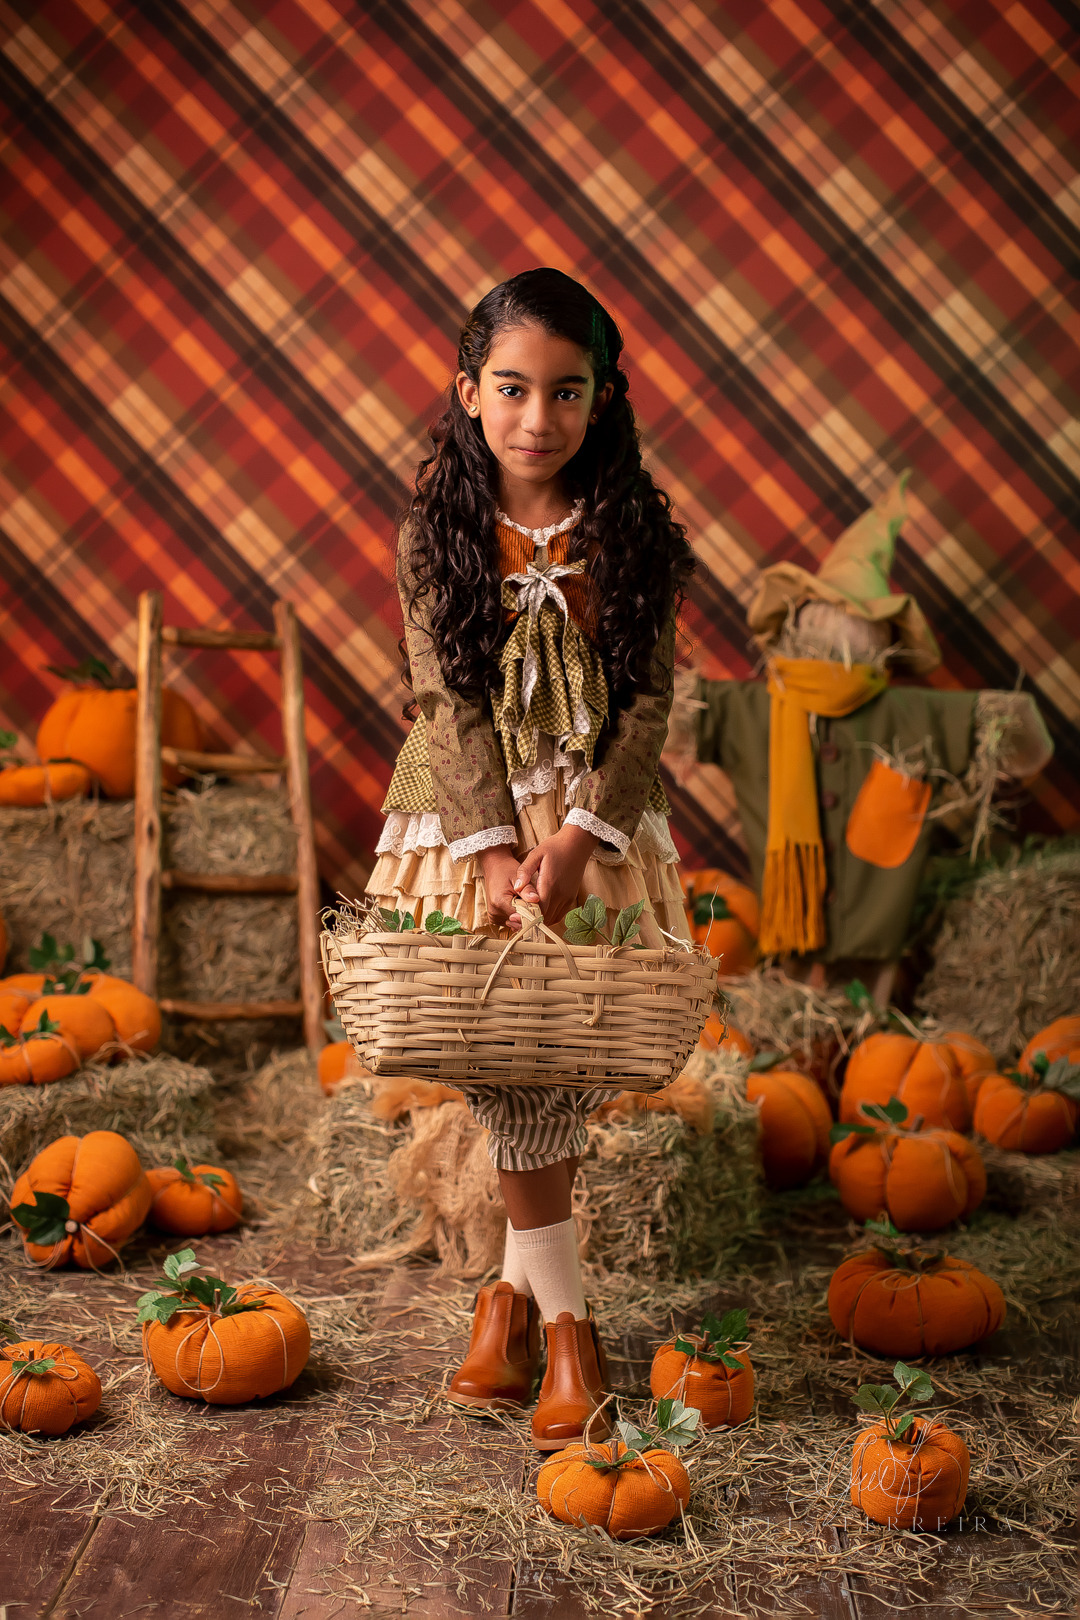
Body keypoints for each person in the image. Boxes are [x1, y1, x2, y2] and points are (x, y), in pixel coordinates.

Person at [365, 267, 695, 1450]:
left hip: (591, 818)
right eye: (511, 388)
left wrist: (578, 835)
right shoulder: (433, 536)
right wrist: (498, 845)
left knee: (554, 1056)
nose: (536, 418)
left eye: (567, 392)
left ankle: (511, 1313)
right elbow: (443, 700)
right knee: (506, 1054)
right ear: (468, 390)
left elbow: (650, 704)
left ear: (603, 399)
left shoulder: (637, 534)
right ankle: (568, 1333)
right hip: (471, 815)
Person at [665, 474, 1053, 1003]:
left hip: (881, 948)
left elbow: (1023, 736)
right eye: (825, 608)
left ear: (883, 640)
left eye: (855, 614)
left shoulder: (913, 714)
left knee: (872, 1044)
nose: (838, 622)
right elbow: (663, 720)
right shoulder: (750, 709)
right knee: (784, 1047)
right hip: (781, 945)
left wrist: (995, 725)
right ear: (797, 619)